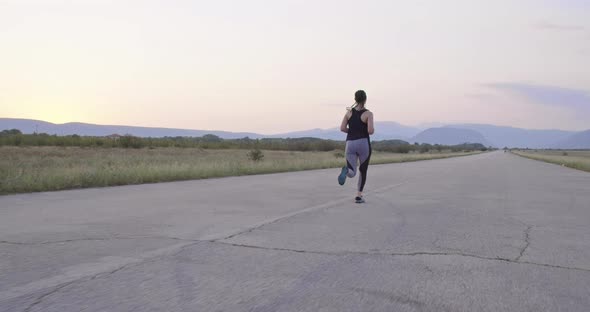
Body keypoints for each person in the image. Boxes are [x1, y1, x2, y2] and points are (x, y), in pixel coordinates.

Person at [338, 90, 374, 203]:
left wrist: (352, 131)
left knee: (352, 171)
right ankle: (358, 196)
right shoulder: (368, 114)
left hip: (350, 144)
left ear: (355, 99)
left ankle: (346, 171)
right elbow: (370, 131)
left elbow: (342, 128)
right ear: (365, 99)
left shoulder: (348, 113)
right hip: (363, 143)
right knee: (363, 170)